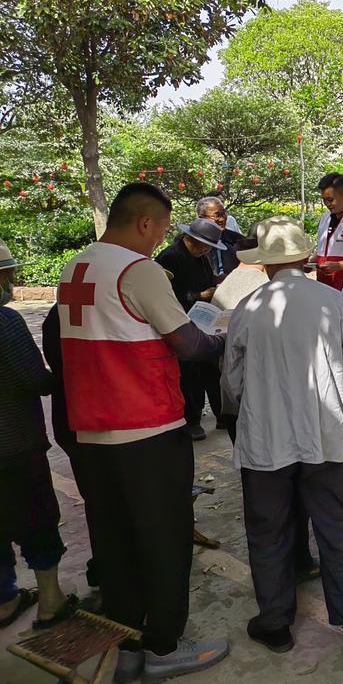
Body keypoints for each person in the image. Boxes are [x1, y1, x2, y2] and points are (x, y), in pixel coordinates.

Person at [57, 183, 229, 681]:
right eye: (160, 230)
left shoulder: (75, 267)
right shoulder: (139, 270)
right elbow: (187, 343)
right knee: (164, 540)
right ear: (146, 223)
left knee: (114, 543)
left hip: (92, 433)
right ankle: (163, 646)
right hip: (147, 430)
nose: (158, 241)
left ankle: (127, 645)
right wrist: (222, 339)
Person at [223, 218, 343, 652]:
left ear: (264, 264)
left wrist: (254, 407)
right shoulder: (333, 302)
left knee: (268, 530)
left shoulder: (249, 308)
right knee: (336, 525)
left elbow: (232, 382)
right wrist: (341, 411)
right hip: (323, 437)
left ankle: (275, 624)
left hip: (265, 441)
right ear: (304, 257)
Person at [213, 222, 321, 585]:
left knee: (264, 511)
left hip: (255, 417)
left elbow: (232, 377)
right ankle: (301, 560)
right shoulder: (326, 300)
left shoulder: (239, 295)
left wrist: (239, 408)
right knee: (303, 498)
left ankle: (276, 598)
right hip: (303, 417)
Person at [0, 240, 77, 633]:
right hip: (13, 445)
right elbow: (34, 379)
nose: (12, 281)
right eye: (8, 274)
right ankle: (50, 602)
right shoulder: (5, 323)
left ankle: (5, 598)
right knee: (37, 519)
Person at [42, 304, 101, 613]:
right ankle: (115, 569)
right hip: (101, 420)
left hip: (70, 419)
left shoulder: (57, 313)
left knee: (96, 498)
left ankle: (105, 566)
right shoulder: (102, 307)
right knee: (112, 501)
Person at [156, 217, 228, 440]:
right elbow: (165, 296)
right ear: (191, 239)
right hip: (182, 321)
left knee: (212, 370)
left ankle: (222, 414)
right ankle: (192, 420)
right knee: (190, 376)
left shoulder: (201, 257)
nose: (207, 250)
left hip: (205, 321)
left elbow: (206, 280)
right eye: (205, 245)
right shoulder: (170, 257)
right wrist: (198, 295)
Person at [197, 196, 242, 277]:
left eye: (224, 214)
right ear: (202, 218)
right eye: (217, 215)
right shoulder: (192, 243)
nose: (222, 219)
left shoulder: (237, 240)